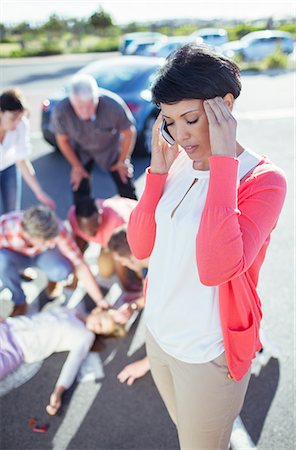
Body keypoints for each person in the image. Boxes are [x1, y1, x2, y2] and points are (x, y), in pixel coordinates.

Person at [127, 44, 287, 449]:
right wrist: (157, 175)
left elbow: (216, 267)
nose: (179, 134)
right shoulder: (176, 160)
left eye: (191, 119)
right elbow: (141, 246)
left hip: (207, 352)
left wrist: (221, 165)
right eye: (168, 120)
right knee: (192, 432)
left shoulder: (264, 181)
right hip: (159, 336)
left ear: (224, 106)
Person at [0, 305, 125, 415]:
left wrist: (58, 392)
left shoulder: (86, 336)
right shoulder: (72, 310)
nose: (98, 327)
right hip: (9, 327)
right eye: (102, 322)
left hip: (17, 349)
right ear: (98, 310)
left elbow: (73, 364)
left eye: (102, 330)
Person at [0, 205, 108, 316]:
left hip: (42, 254)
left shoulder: (56, 229)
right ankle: (20, 301)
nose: (53, 244)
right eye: (47, 241)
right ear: (28, 235)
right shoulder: (5, 228)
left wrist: (100, 300)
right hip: (15, 256)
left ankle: (53, 279)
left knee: (61, 270)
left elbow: (79, 264)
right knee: (1, 263)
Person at [50, 73, 138, 205]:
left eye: (90, 105)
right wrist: (76, 166)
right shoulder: (61, 111)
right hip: (81, 149)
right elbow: (62, 140)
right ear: (72, 102)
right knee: (78, 185)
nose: (85, 111)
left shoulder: (112, 105)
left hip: (111, 148)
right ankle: (85, 220)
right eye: (80, 107)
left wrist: (122, 160)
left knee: (125, 181)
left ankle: (135, 217)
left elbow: (129, 132)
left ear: (96, 98)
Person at [68, 196, 142, 292]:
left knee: (134, 262)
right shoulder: (72, 216)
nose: (90, 234)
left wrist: (126, 286)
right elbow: (78, 247)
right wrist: (75, 278)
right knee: (105, 270)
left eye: (94, 227)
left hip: (132, 236)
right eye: (85, 229)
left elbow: (122, 252)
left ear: (100, 214)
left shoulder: (117, 219)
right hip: (109, 242)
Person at [0, 89, 55, 214]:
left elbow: (21, 160)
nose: (17, 123)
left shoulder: (21, 125)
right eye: (13, 118)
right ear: (0, 112)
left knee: (12, 213)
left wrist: (39, 192)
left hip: (9, 168)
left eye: (20, 118)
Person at [107, 224, 150, 386]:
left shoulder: (158, 281)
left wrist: (146, 363)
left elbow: (177, 330)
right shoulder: (150, 260)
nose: (123, 265)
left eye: (122, 261)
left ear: (132, 257)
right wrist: (133, 306)